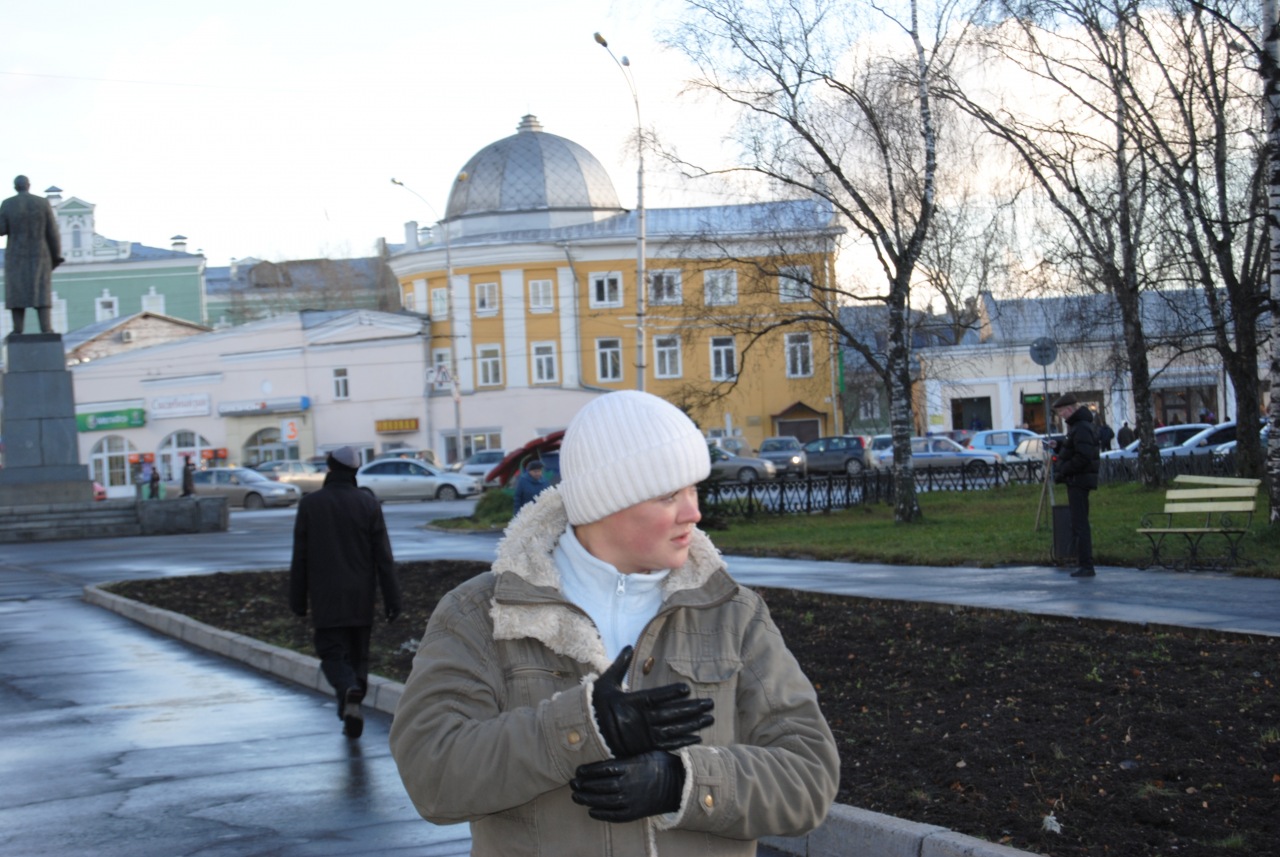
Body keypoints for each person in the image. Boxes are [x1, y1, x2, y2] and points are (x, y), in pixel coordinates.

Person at [389, 390, 839, 855]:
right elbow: (431, 777)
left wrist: (681, 783)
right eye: (668, 495)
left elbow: (810, 777)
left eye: (692, 489)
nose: (694, 512)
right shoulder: (485, 614)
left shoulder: (732, 613)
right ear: (604, 501)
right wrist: (581, 729)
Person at [289, 446, 401, 738]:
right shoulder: (368, 504)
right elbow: (383, 557)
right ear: (355, 471)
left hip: (325, 595)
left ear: (329, 468)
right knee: (358, 655)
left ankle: (347, 691)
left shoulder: (311, 505)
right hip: (361, 595)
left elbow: (300, 556)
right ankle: (351, 705)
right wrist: (393, 599)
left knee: (331, 652)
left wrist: (297, 599)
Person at [0, 175, 64, 335]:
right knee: (41, 293)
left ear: (15, 187)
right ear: (28, 185)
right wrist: (56, 255)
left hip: (16, 256)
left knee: (16, 294)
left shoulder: (7, 204)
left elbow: (1, 230)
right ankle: (46, 329)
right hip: (40, 255)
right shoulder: (42, 203)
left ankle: (17, 330)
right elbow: (52, 232)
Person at [1051, 394, 1101, 578]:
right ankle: (1084, 563)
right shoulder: (1079, 426)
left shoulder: (1080, 427)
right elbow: (1076, 449)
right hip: (1078, 479)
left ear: (1070, 409)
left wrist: (1064, 469)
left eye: (1061, 411)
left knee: (1080, 524)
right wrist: (1059, 446)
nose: (1061, 415)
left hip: (1078, 480)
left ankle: (1086, 565)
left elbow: (1083, 456)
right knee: (1079, 522)